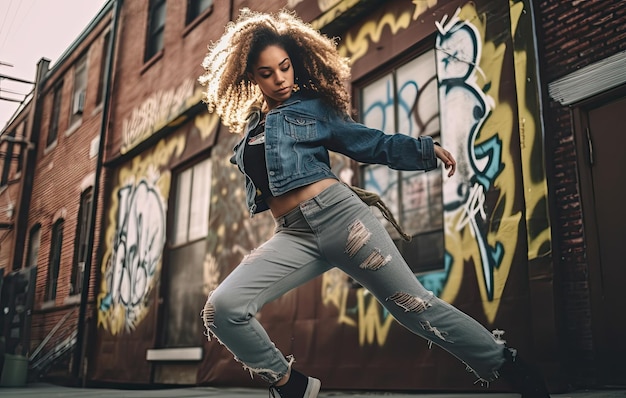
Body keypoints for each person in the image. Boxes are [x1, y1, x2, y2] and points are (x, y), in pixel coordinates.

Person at [198, 8, 550, 398]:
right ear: (251, 77)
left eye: (285, 67)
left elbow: (369, 142)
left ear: (294, 64)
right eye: (267, 73)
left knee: (415, 307)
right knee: (222, 308)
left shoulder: (314, 108)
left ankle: (505, 363)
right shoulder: (252, 128)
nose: (280, 79)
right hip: (293, 235)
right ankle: (290, 385)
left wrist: (423, 149)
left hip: (343, 221)